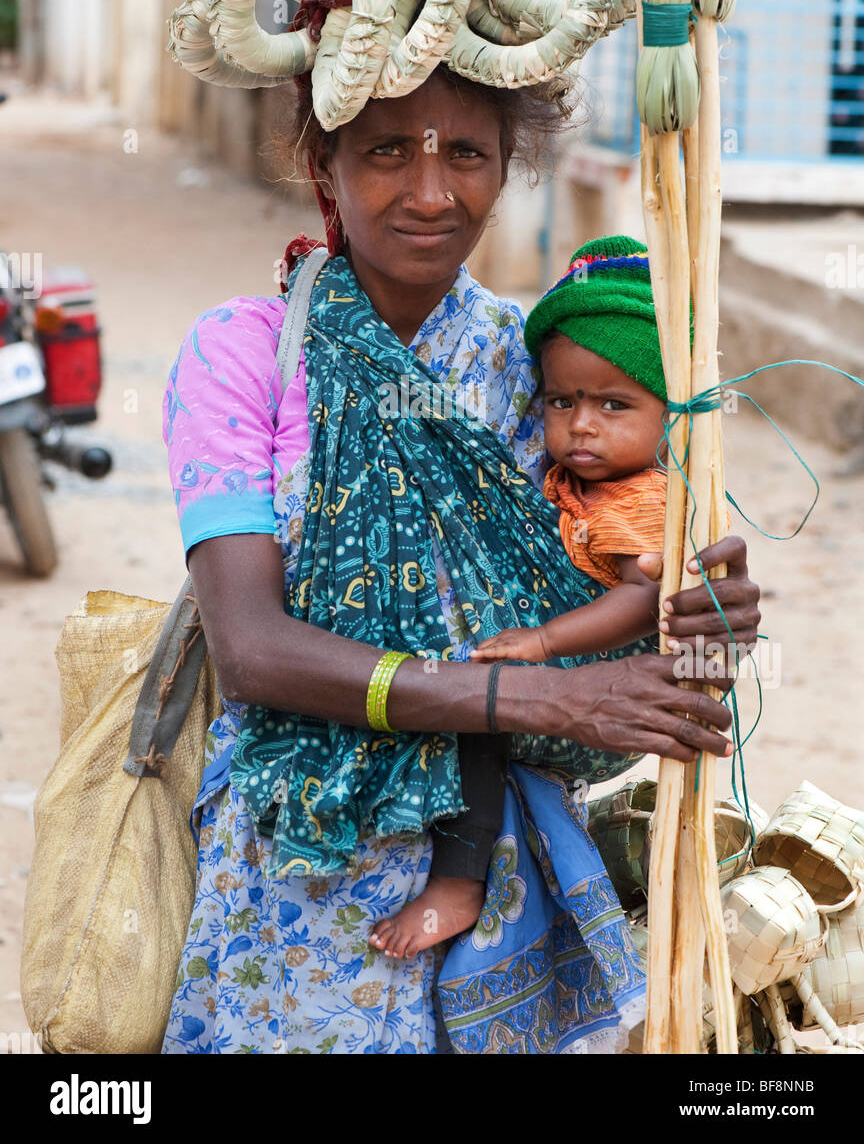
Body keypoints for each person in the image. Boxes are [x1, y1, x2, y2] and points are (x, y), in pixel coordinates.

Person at [160, 63, 760, 1055]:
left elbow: (603, 648)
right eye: (388, 150)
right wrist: (534, 697)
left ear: (506, 168)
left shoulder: (533, 371)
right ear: (325, 163)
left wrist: (697, 619)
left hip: (495, 894)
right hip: (297, 878)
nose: (431, 194)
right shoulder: (244, 354)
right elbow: (256, 650)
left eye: (467, 155)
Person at [369, 233, 676, 961]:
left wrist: (541, 645)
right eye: (562, 401)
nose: (582, 425)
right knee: (465, 707)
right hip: (550, 668)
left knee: (474, 712)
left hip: (581, 672)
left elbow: (641, 598)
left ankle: (459, 883)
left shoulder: (641, 500)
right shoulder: (575, 476)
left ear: (670, 412)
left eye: (613, 404)